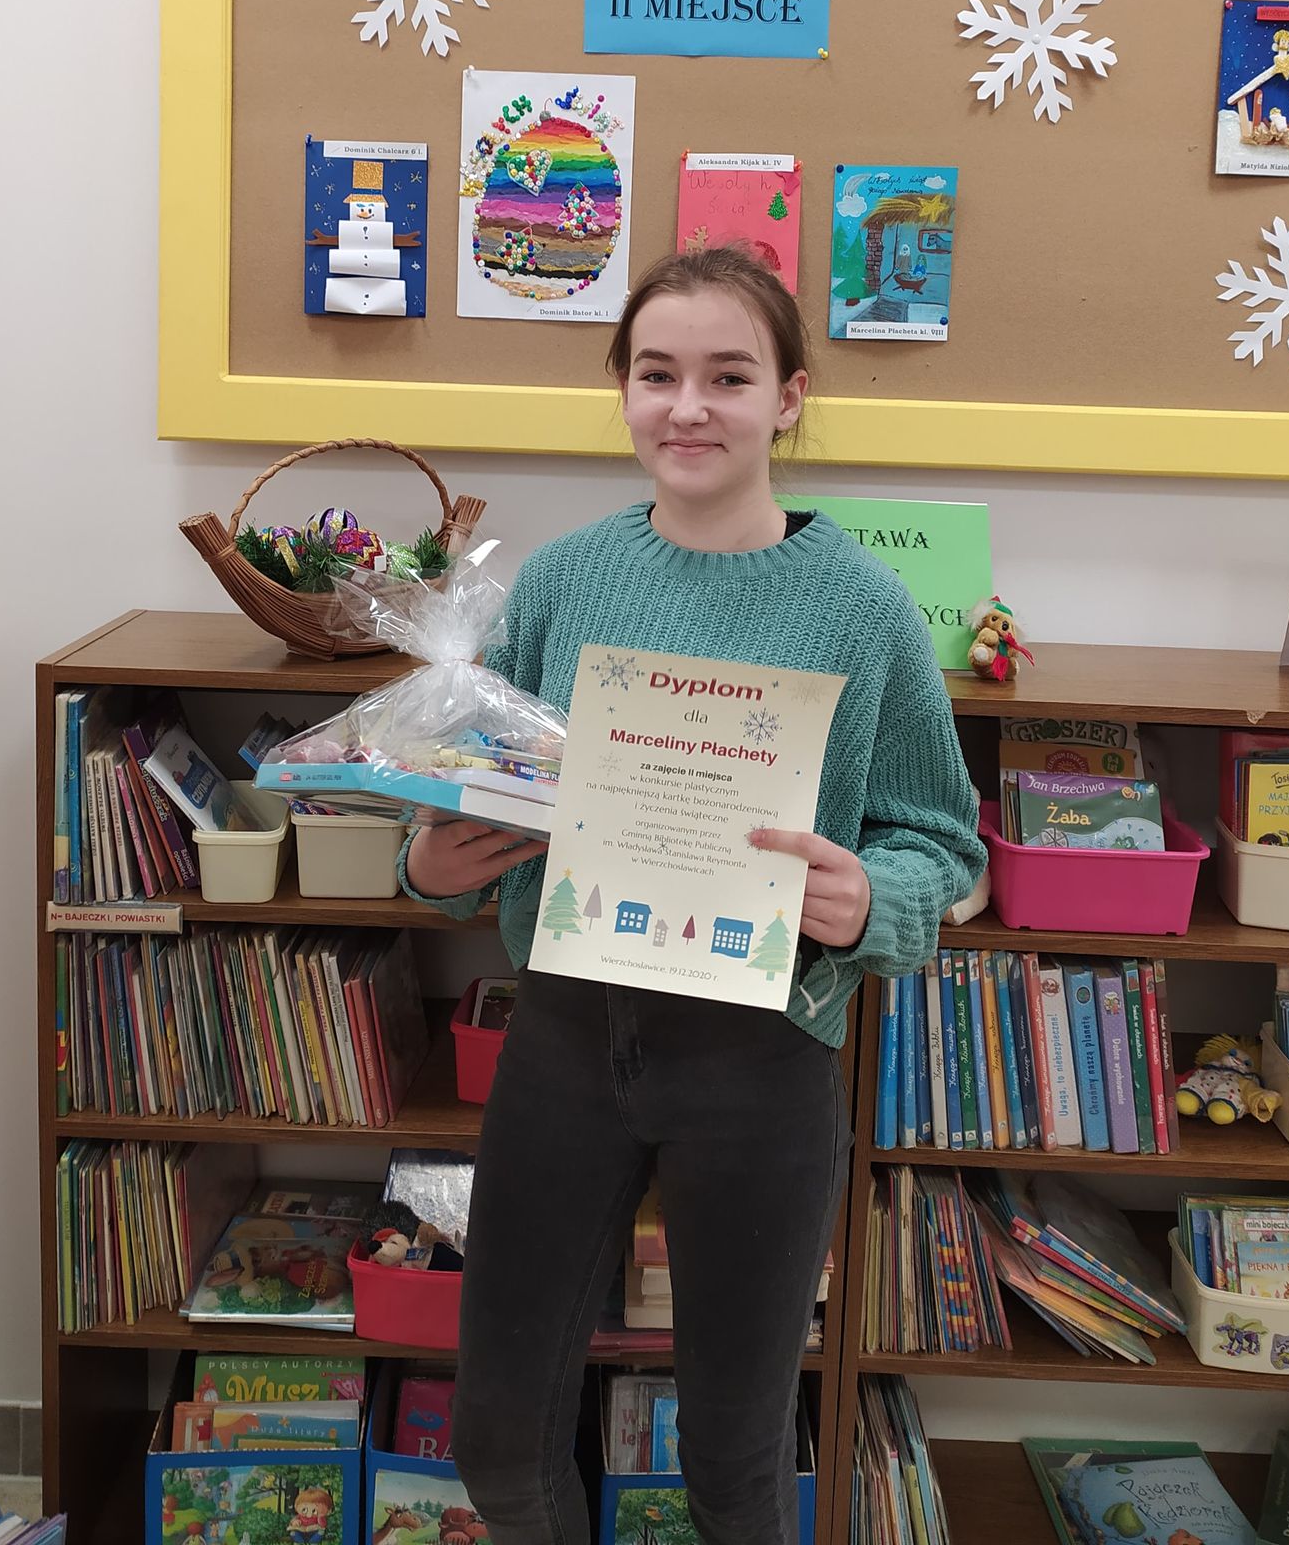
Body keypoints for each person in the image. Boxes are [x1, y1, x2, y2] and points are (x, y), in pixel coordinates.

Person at [400, 246, 984, 1545]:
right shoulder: (561, 582)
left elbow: (942, 844)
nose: (688, 407)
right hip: (564, 1035)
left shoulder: (865, 610)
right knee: (499, 1442)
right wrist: (429, 868)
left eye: (729, 376)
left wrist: (869, 899)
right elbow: (474, 790)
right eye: (658, 374)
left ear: (789, 396)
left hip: (761, 1054)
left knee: (733, 1460)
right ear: (622, 389)